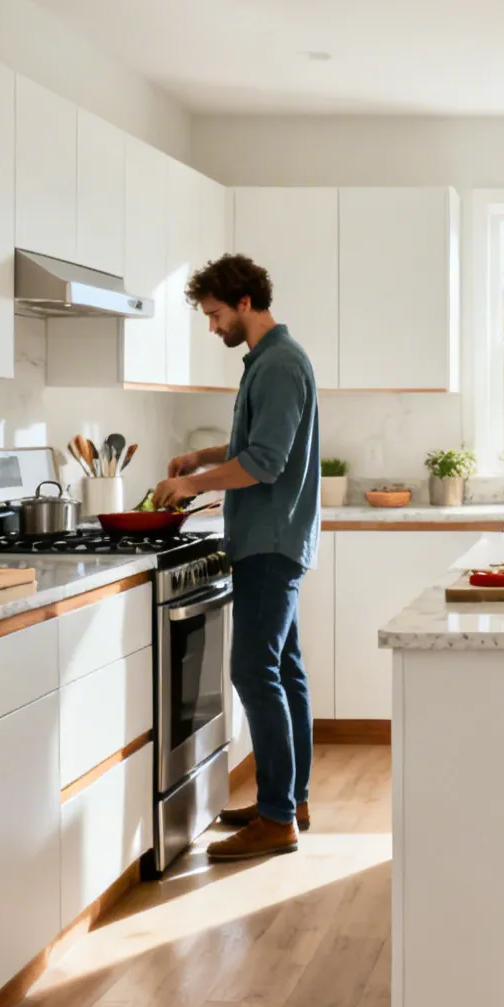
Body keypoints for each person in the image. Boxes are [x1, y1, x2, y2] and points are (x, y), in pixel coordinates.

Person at [156, 253, 321, 861]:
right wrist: (201, 458)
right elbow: (256, 443)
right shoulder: (271, 361)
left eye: (216, 314)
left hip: (269, 543)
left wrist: (193, 486)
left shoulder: (279, 365)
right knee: (286, 672)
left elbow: (264, 463)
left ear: (244, 302)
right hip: (270, 539)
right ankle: (290, 800)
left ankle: (278, 819)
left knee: (255, 672)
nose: (212, 326)